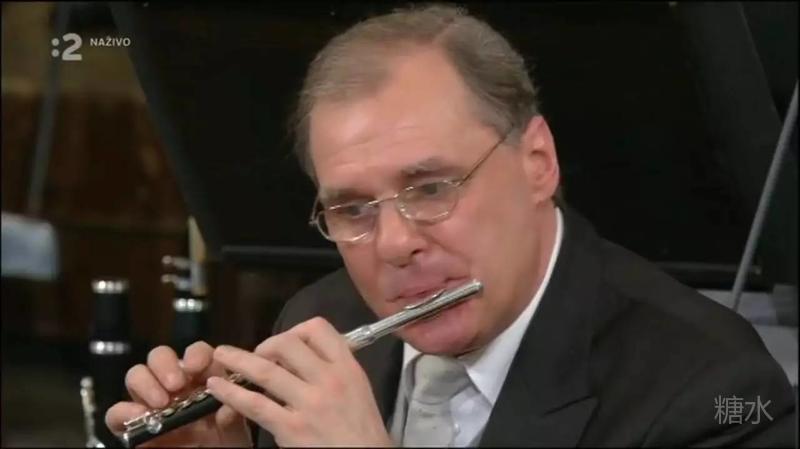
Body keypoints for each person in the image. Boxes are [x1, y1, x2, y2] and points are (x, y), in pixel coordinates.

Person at [106, 4, 797, 447]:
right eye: (353, 209)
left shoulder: (713, 391)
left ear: (537, 163)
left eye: (431, 188)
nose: (394, 243)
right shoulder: (318, 322)